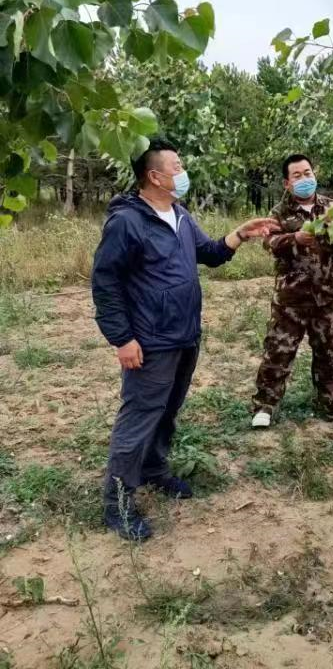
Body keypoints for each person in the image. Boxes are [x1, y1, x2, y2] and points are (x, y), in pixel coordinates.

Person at [92, 137, 279, 540]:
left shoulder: (179, 213)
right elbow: (105, 282)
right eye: (177, 166)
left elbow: (209, 253)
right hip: (151, 339)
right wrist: (122, 338)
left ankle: (155, 470)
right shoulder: (127, 221)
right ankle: (118, 502)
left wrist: (240, 235)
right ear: (154, 176)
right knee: (140, 416)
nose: (183, 172)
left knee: (166, 411)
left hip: (184, 334)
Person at [251, 154, 333, 428]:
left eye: (308, 173)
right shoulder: (279, 212)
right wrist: (293, 238)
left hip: (326, 296)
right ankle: (265, 405)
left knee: (328, 352)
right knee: (279, 351)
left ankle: (332, 402)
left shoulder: (332, 208)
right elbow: (269, 242)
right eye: (297, 176)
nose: (304, 179)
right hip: (291, 298)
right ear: (287, 183)